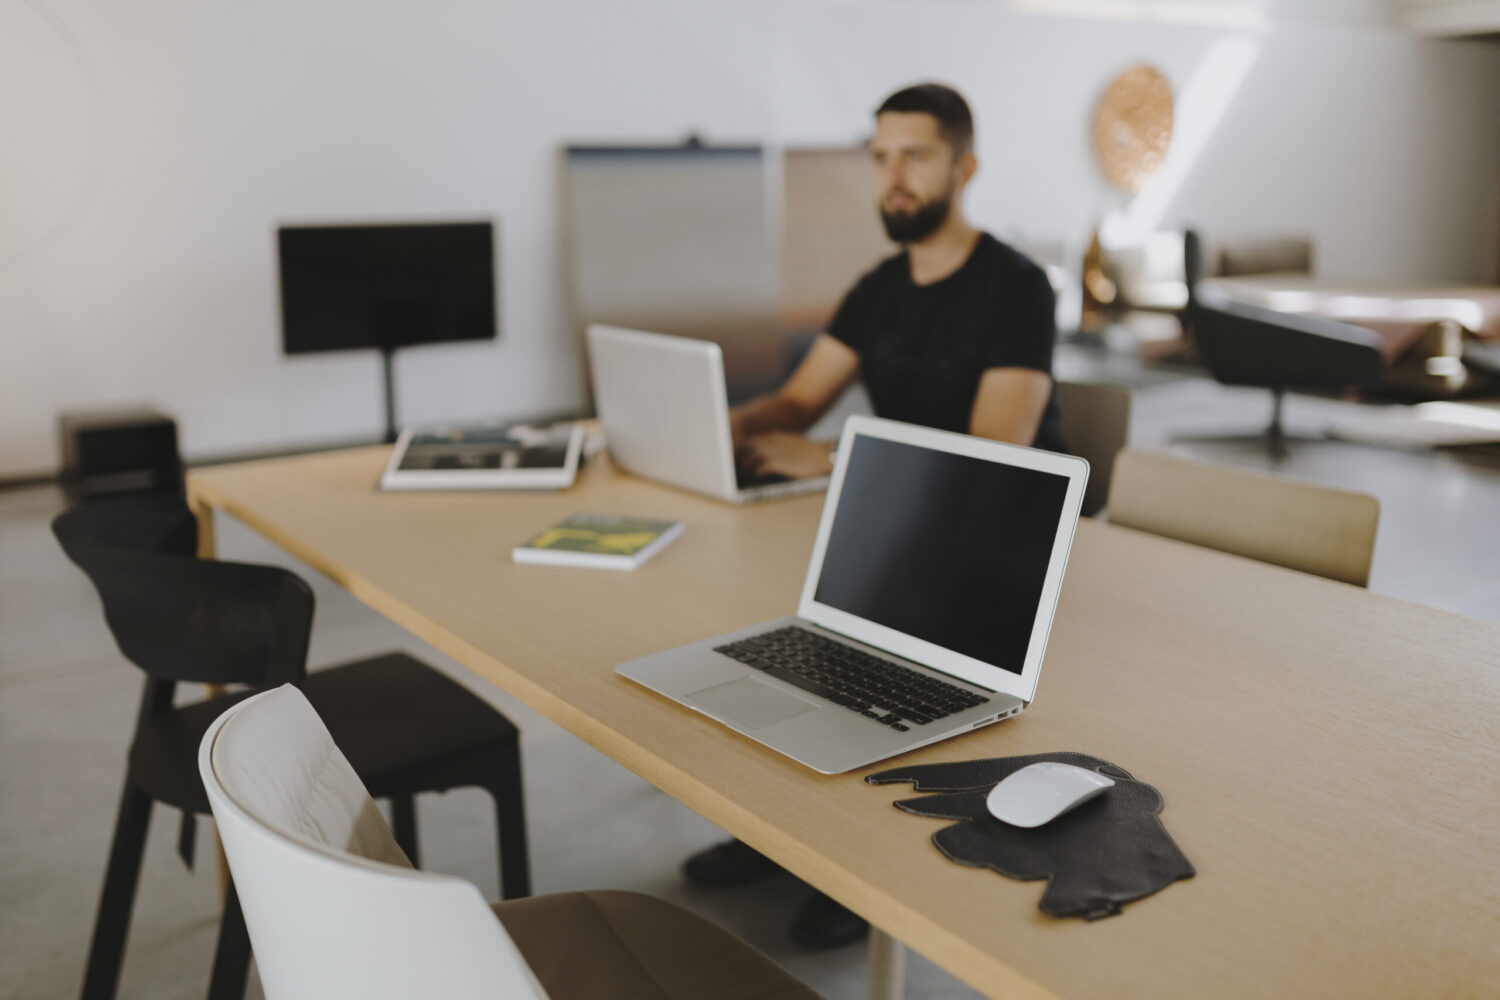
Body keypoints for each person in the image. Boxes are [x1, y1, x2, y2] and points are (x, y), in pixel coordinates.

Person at [682, 82, 1066, 951]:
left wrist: (827, 457)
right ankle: (783, 836)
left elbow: (989, 457)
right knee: (765, 634)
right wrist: (707, 423)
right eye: (882, 156)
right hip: (894, 522)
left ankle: (862, 873)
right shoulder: (878, 288)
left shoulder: (1017, 290)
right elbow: (796, 400)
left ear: (963, 167)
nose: (893, 176)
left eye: (916, 156)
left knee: (872, 669)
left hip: (1000, 542)